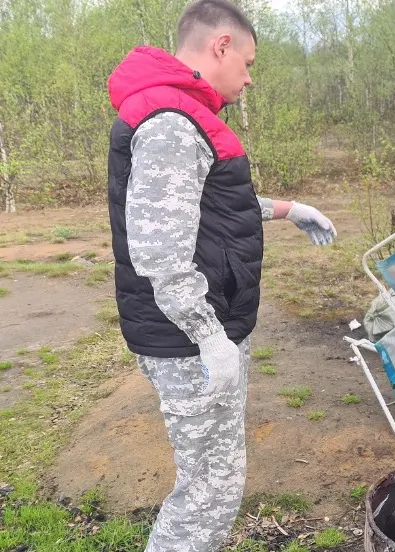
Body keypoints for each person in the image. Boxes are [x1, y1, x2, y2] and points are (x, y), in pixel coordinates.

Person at [105, 1, 337, 550]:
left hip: (197, 332)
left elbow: (204, 209)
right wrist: (209, 339)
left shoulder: (179, 111)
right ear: (221, 46)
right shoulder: (172, 121)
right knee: (209, 491)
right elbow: (161, 248)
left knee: (213, 482)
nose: (250, 78)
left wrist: (285, 208)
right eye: (249, 62)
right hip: (187, 340)